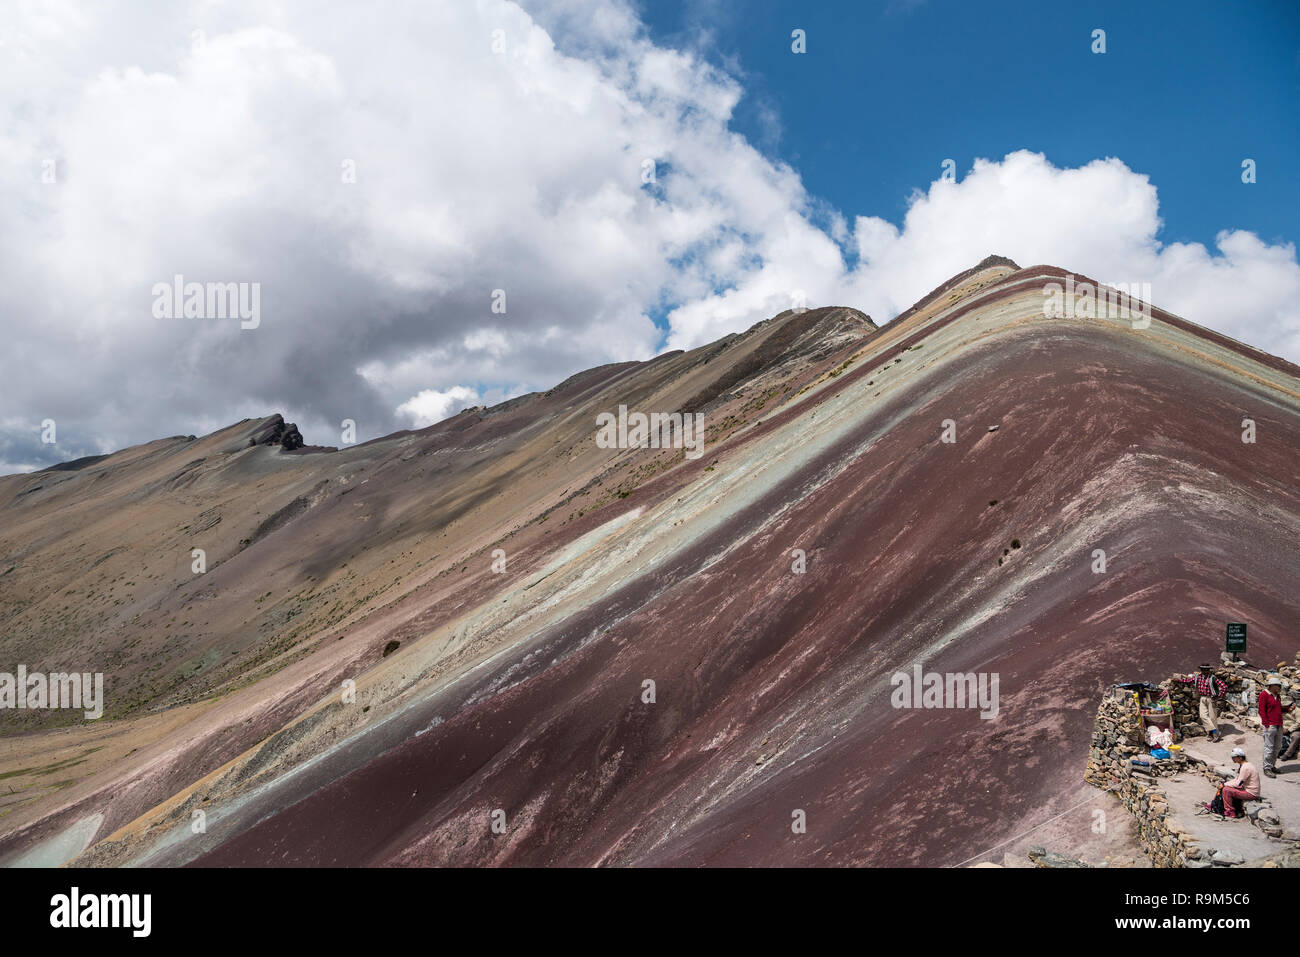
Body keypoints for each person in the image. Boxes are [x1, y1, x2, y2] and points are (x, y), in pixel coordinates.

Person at [1176, 664, 1228, 741]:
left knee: (1212, 718)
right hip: (1203, 698)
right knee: (1203, 716)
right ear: (1201, 670)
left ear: (1209, 670)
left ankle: (1212, 734)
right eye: (1203, 669)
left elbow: (1224, 686)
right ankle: (1215, 732)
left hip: (1211, 698)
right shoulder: (1198, 677)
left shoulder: (1212, 678)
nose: (1205, 671)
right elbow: (1189, 681)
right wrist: (1179, 680)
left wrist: (1219, 696)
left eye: (1206, 669)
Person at [1259, 675, 1294, 777]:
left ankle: (1272, 765)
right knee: (1269, 747)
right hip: (1270, 725)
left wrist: (1287, 709)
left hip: (1279, 724)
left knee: (1277, 747)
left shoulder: (1277, 696)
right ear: (1272, 686)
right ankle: (1266, 768)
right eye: (1278, 686)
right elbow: (1261, 711)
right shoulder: (1264, 695)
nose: (1279, 688)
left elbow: (1278, 709)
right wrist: (1266, 724)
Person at [1221, 746, 1260, 819]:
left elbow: (1238, 783)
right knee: (1225, 786)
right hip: (1248, 789)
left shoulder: (1245, 768)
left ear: (1240, 758)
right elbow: (1237, 779)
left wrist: (1224, 785)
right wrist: (1224, 783)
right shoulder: (1245, 765)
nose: (1233, 759)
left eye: (1234, 757)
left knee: (1226, 790)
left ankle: (1230, 812)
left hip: (1251, 793)